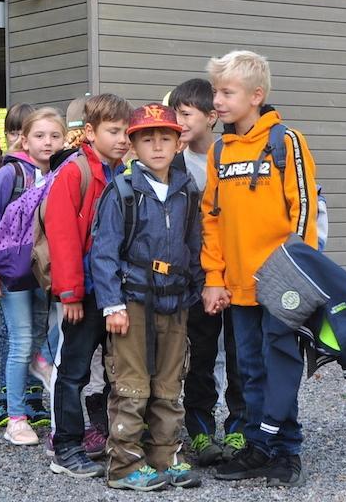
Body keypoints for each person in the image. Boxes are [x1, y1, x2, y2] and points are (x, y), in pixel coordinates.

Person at [201, 50, 318, 487]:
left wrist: (296, 275)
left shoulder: (286, 142)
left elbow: (303, 210)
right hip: (237, 287)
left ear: (256, 96)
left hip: (281, 285)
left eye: (227, 92)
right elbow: (210, 218)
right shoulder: (219, 151)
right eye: (216, 91)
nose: (218, 100)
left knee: (280, 368)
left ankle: (286, 451)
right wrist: (214, 277)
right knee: (248, 369)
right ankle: (257, 445)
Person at [90, 103, 204, 491]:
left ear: (177, 143)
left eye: (165, 138)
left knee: (171, 383)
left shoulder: (186, 190)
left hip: (175, 301)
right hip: (133, 301)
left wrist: (196, 289)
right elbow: (104, 252)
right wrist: (112, 305)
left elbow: (194, 244)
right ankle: (123, 464)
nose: (157, 146)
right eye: (147, 139)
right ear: (133, 145)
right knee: (132, 384)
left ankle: (165, 453)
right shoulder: (122, 191)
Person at [45, 93, 132, 479]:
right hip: (84, 295)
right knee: (74, 372)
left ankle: (110, 437)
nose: (122, 139)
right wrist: (70, 293)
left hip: (112, 293)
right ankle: (65, 446)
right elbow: (62, 236)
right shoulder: (75, 171)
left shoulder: (121, 172)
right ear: (91, 132)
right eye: (114, 131)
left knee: (114, 372)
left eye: (126, 132)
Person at [169, 77, 246, 465]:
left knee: (239, 355)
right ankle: (200, 430)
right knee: (199, 356)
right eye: (176, 114)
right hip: (194, 279)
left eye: (185, 114)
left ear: (211, 117)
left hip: (237, 275)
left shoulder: (233, 155)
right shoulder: (173, 162)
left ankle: (239, 429)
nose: (178, 121)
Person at [0, 107, 64, 445]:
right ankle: (15, 417)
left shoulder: (61, 174)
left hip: (45, 270)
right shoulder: (11, 173)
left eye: (54, 136)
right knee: (20, 341)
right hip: (13, 271)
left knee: (44, 334)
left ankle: (32, 399)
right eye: (40, 136)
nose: (47, 142)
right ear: (25, 139)